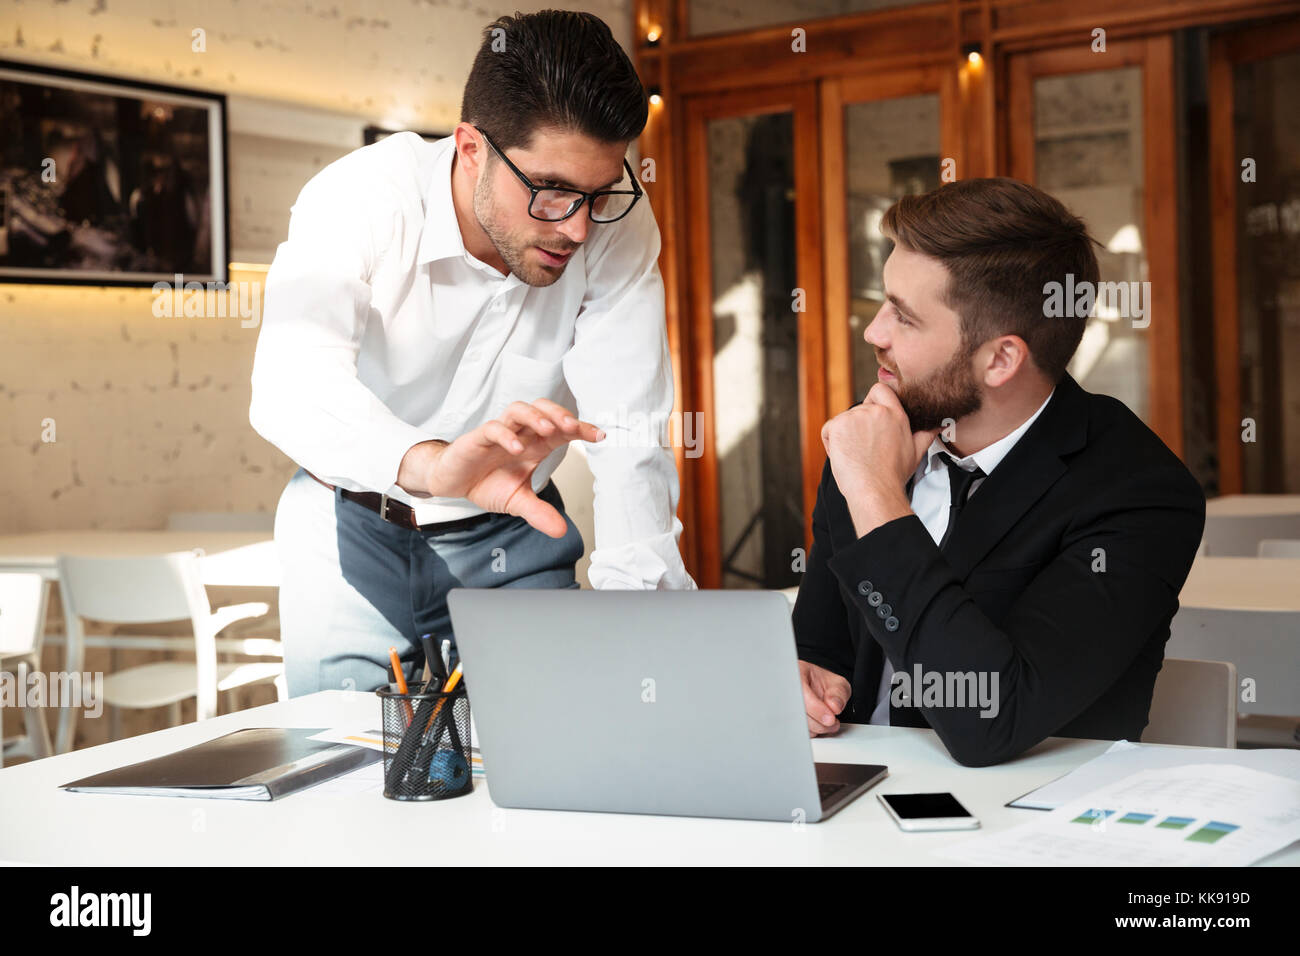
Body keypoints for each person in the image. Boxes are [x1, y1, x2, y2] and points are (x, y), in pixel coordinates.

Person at [250, 10, 694, 697]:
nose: (578, 226)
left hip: (516, 534)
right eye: (551, 191)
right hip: (351, 530)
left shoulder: (616, 221)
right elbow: (291, 385)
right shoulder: (359, 199)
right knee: (343, 773)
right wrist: (430, 464)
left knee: (567, 742)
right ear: (469, 149)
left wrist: (642, 624)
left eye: (599, 193)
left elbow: (628, 431)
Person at [794, 177, 1205, 767]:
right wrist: (802, 685)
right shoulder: (875, 440)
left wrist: (877, 494)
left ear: (1001, 359)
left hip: (1038, 827)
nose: (873, 332)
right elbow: (819, 648)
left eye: (904, 318)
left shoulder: (1139, 495)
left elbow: (991, 717)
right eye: (884, 302)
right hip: (858, 813)